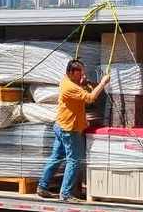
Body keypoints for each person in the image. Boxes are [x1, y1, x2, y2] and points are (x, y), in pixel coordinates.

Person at [37, 59, 110, 202]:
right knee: (74, 160)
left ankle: (42, 186)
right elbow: (90, 98)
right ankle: (65, 194)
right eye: (80, 73)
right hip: (69, 129)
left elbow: (80, 92)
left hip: (61, 125)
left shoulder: (66, 80)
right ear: (71, 72)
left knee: (56, 157)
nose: (83, 75)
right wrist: (102, 83)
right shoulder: (70, 87)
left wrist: (82, 83)